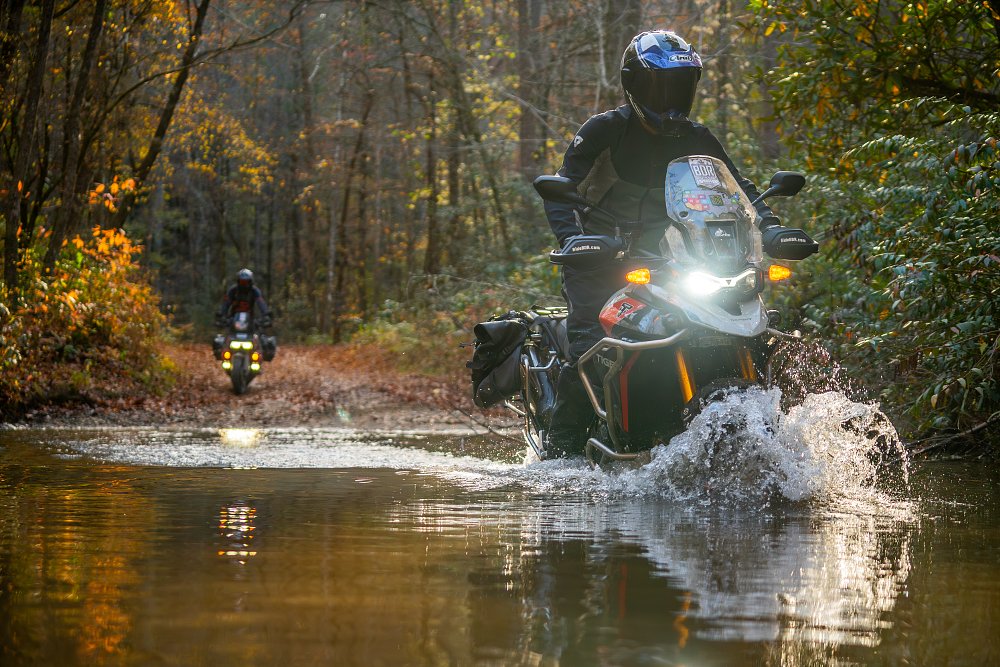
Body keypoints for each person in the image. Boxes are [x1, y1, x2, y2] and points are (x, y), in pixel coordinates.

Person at [542, 30, 793, 457]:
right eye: (661, 87)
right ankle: (558, 452)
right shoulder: (605, 130)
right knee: (592, 347)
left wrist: (769, 227)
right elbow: (562, 189)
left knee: (727, 326)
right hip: (599, 256)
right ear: (634, 84)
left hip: (666, 257)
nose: (671, 99)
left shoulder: (695, 136)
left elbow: (739, 188)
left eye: (680, 87)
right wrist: (576, 240)